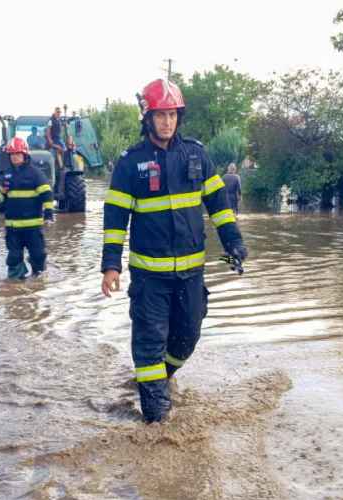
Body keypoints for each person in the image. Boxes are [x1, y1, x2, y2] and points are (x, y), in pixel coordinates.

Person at [100, 79, 248, 423]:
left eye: (172, 115)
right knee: (150, 342)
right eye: (160, 115)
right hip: (149, 278)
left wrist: (234, 243)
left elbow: (219, 205)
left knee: (187, 337)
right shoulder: (130, 163)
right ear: (147, 118)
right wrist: (111, 266)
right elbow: (115, 220)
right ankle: (157, 423)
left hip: (191, 275)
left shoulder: (196, 154)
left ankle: (158, 380)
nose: (167, 122)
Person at [0, 137, 54, 279]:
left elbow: (47, 193)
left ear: (24, 154)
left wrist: (48, 214)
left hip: (32, 227)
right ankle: (15, 285)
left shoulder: (35, 173)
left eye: (17, 153)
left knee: (38, 256)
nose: (14, 157)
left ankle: (38, 279)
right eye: (12, 154)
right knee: (14, 258)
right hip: (13, 227)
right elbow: (1, 196)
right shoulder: (7, 174)